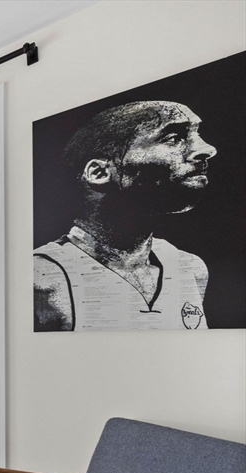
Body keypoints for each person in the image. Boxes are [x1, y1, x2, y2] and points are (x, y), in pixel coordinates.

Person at [34, 101, 216, 331]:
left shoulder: (189, 267)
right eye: (173, 138)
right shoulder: (43, 276)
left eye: (195, 135)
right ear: (99, 173)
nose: (207, 149)